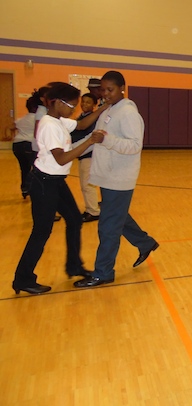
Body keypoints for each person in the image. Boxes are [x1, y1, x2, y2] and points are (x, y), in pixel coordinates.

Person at [74, 70, 159, 288]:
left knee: (108, 225)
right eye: (103, 90)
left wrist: (108, 139)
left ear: (122, 88)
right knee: (116, 216)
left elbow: (134, 146)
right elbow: (95, 136)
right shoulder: (109, 110)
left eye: (110, 89)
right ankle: (145, 242)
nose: (106, 93)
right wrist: (70, 150)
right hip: (107, 175)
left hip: (120, 177)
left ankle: (103, 272)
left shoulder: (129, 113)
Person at [12, 82, 99, 295]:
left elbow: (80, 125)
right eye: (71, 105)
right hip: (44, 182)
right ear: (57, 103)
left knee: (75, 219)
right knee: (41, 231)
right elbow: (61, 158)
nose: (74, 110)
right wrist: (88, 143)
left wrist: (104, 108)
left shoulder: (58, 120)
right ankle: (22, 279)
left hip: (56, 181)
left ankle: (74, 266)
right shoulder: (50, 125)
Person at [71, 93, 105, 222]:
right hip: (82, 155)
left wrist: (75, 150)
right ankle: (92, 207)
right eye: (83, 102)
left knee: (87, 184)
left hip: (89, 156)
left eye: (88, 102)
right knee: (86, 184)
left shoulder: (93, 120)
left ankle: (93, 211)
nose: (84, 104)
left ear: (94, 105)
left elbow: (91, 139)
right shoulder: (81, 117)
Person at [10, 96, 37, 198]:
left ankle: (25, 189)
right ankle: (33, 188)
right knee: (36, 168)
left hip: (17, 146)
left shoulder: (21, 120)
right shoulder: (38, 119)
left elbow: (10, 127)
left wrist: (10, 136)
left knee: (24, 168)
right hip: (29, 145)